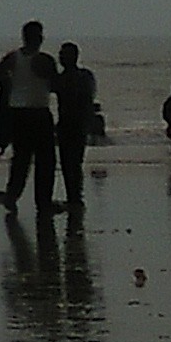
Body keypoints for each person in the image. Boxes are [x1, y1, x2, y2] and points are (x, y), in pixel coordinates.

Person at [0, 24, 57, 215]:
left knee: (21, 159)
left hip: (18, 112)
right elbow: (54, 84)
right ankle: (43, 202)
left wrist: (10, 84)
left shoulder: (13, 58)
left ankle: (13, 196)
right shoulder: (45, 60)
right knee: (45, 161)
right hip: (39, 111)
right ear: (38, 38)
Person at [55, 41, 98, 214]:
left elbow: (87, 98)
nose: (61, 57)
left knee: (73, 162)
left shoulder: (77, 77)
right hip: (69, 124)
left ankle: (75, 197)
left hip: (76, 123)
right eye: (61, 54)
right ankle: (73, 197)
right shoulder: (66, 77)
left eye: (64, 54)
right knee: (69, 163)